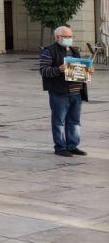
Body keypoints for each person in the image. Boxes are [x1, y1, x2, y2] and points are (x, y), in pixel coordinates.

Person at [39, 26, 87, 157]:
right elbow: (43, 70)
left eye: (71, 36)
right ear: (58, 37)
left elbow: (80, 69)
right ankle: (60, 147)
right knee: (59, 121)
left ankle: (72, 145)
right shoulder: (49, 51)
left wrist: (87, 72)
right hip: (59, 92)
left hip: (76, 92)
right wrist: (58, 69)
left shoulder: (74, 51)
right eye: (67, 37)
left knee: (74, 121)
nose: (70, 39)